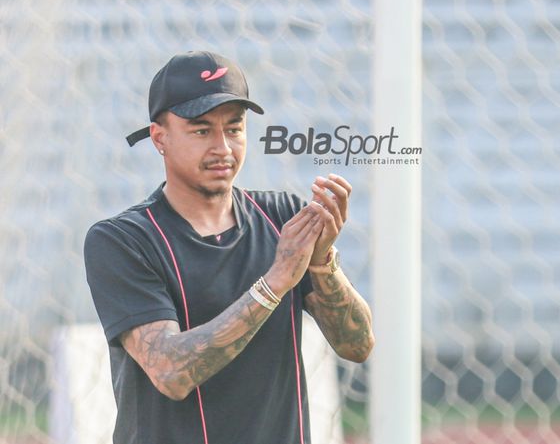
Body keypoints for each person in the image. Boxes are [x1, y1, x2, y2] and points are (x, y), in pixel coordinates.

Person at [84, 50, 374, 444]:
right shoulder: (122, 240)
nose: (222, 147)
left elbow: (357, 346)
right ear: (160, 138)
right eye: (202, 131)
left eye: (234, 129)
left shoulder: (283, 218)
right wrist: (273, 284)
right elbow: (170, 371)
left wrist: (322, 263)